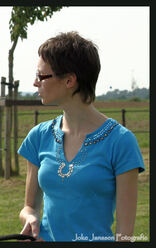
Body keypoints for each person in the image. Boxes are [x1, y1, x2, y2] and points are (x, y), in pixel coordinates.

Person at [17, 31, 145, 242]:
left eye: (41, 76)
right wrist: (30, 217)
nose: (35, 82)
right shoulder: (38, 137)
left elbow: (125, 235)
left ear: (69, 81)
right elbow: (29, 206)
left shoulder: (122, 143)